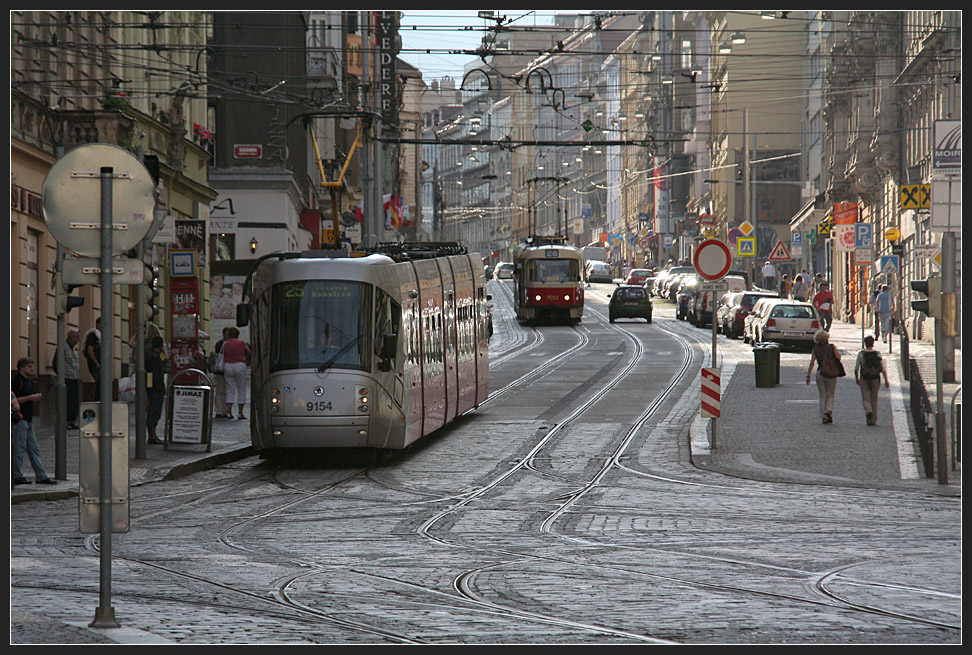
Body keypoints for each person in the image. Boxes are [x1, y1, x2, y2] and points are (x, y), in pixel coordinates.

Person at [12, 357, 56, 485]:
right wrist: (30, 397)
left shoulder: (29, 382)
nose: (32, 369)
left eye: (32, 366)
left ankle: (41, 475)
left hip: (28, 419)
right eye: (29, 366)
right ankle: (16, 475)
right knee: (19, 447)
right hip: (20, 419)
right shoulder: (17, 382)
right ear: (22, 368)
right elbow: (13, 399)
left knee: (34, 448)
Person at [806, 329, 842, 424]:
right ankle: (829, 410)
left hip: (820, 373)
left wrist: (808, 375)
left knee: (822, 395)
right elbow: (838, 357)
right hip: (831, 372)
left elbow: (812, 362)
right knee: (830, 394)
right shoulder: (831, 347)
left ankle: (823, 417)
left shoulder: (815, 349)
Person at [855, 336, 890, 426]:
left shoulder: (861, 354)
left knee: (865, 398)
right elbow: (882, 368)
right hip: (875, 378)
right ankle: (873, 419)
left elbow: (856, 368)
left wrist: (857, 378)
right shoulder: (877, 354)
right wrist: (886, 380)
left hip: (865, 377)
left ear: (865, 343)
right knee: (874, 399)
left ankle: (869, 411)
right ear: (873, 343)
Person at [222, 327, 251, 420]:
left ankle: (229, 412)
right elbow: (248, 352)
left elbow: (224, 354)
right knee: (241, 389)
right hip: (239, 365)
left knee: (230, 389)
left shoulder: (225, 344)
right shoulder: (241, 343)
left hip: (228, 366)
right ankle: (240, 413)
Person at [55, 329, 82, 429]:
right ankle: (67, 421)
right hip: (66, 378)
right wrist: (61, 376)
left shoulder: (73, 349)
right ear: (71, 338)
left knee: (74, 400)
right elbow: (56, 363)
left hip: (74, 377)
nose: (78, 340)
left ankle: (72, 421)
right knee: (68, 400)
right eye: (77, 338)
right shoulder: (63, 347)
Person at [144, 336, 168, 444]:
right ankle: (152, 436)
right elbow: (166, 359)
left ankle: (153, 435)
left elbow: (165, 359)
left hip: (154, 386)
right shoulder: (154, 357)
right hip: (156, 387)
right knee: (154, 411)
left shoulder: (153, 355)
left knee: (154, 411)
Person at [212, 327, 230, 418]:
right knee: (220, 391)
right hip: (221, 370)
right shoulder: (220, 344)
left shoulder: (224, 343)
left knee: (226, 391)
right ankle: (219, 410)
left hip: (226, 370)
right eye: (227, 334)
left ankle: (224, 409)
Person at [83, 316, 102, 388]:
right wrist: (97, 363)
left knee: (101, 383)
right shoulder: (93, 334)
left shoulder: (100, 335)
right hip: (95, 364)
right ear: (97, 324)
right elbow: (90, 349)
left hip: (99, 363)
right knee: (100, 382)